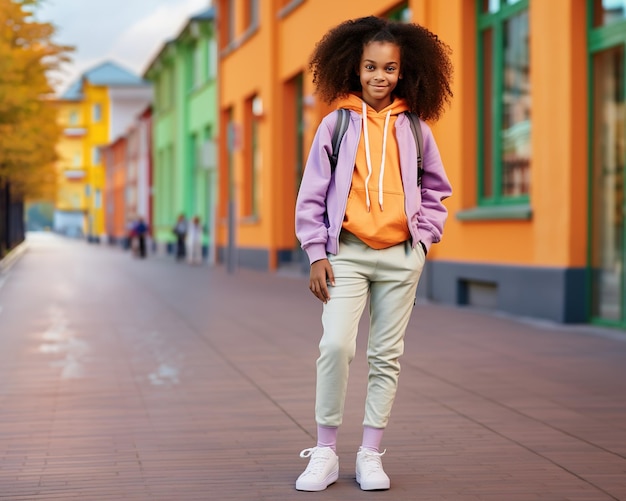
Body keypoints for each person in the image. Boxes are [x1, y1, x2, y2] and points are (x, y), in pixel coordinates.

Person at [294, 16, 453, 492]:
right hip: (346, 254)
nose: (379, 76)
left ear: (404, 72)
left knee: (386, 356)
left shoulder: (417, 129)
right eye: (370, 66)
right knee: (336, 346)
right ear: (353, 67)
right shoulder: (336, 124)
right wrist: (315, 252)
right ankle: (324, 451)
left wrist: (423, 240)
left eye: (389, 68)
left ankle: (369, 455)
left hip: (402, 257)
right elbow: (312, 195)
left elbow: (436, 190)